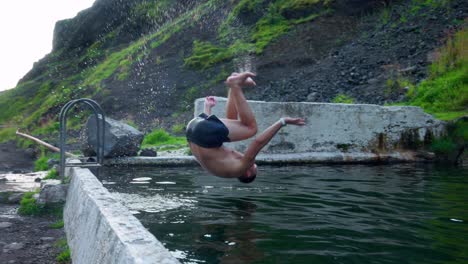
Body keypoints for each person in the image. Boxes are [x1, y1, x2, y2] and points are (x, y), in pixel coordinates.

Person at [186, 72, 305, 183]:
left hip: (203, 134)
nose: (252, 162)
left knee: (251, 129)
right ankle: (234, 86)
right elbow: (201, 140)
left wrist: (282, 121)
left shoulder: (240, 168)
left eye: (254, 165)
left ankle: (235, 85)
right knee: (234, 123)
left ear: (248, 173)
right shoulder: (223, 166)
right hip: (193, 128)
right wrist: (208, 108)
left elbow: (258, 143)